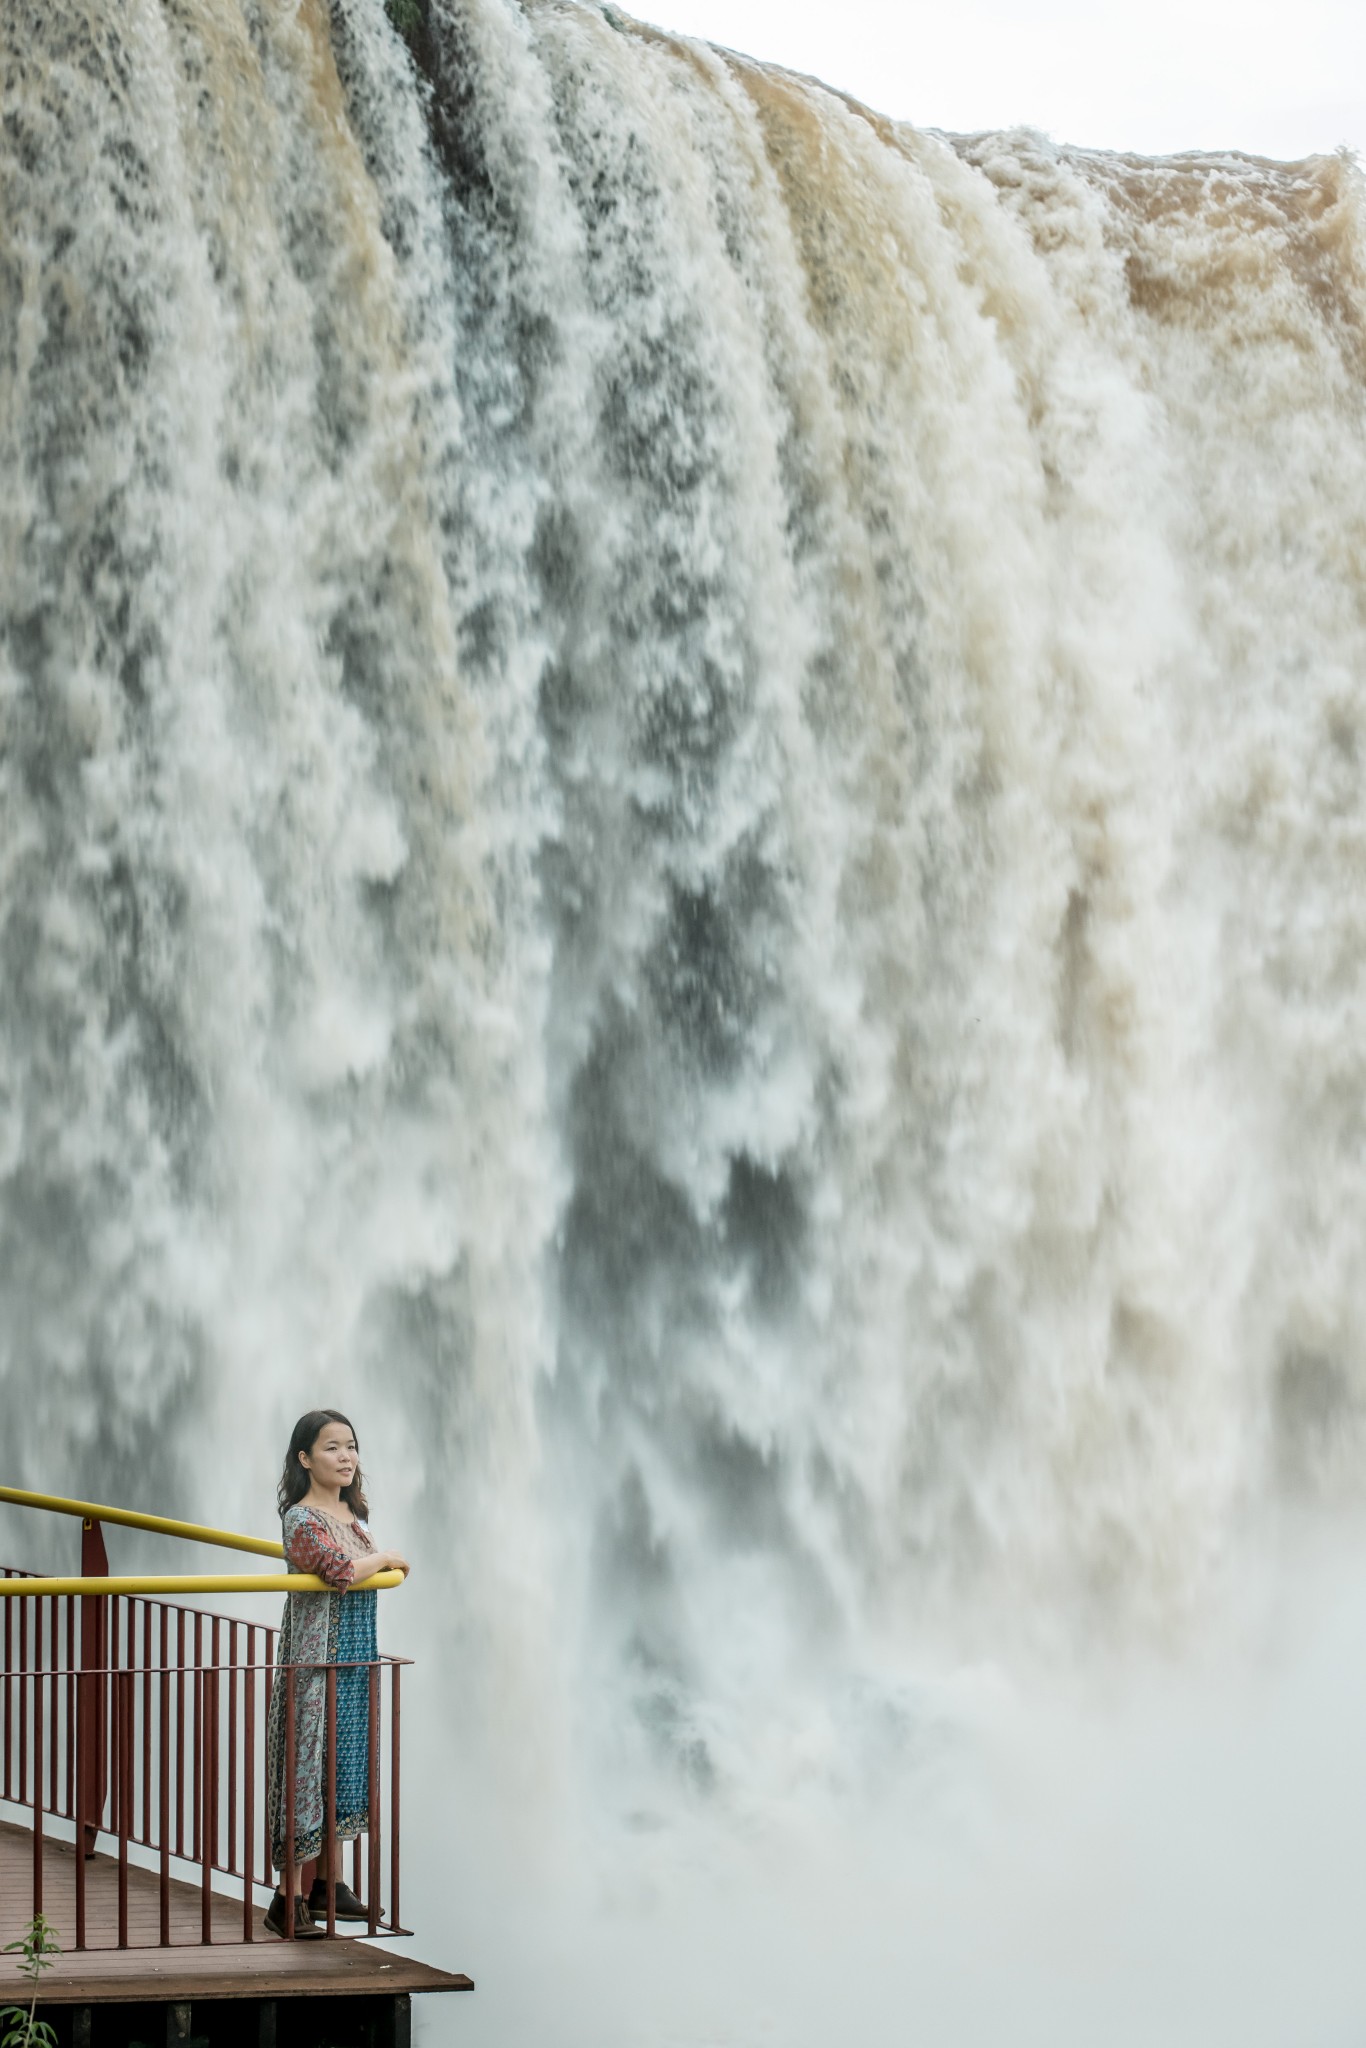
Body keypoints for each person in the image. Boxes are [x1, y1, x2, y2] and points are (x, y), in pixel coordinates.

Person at [263, 1409, 410, 1939]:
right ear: (304, 1459)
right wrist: (388, 1557)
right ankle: (288, 1898)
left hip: (352, 1661)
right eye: (332, 1448)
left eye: (351, 1446)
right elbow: (340, 1570)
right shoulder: (300, 1520)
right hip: (315, 1661)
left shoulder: (352, 1512)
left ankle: (330, 1884)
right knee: (305, 1772)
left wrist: (379, 1558)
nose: (346, 1457)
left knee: (344, 1766)